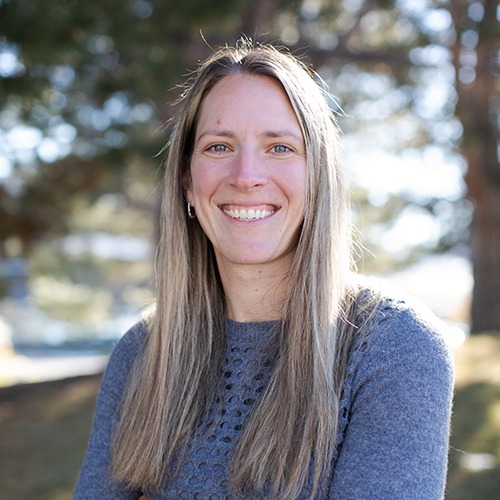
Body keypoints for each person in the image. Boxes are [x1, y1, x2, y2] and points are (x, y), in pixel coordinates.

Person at [74, 39, 454, 499]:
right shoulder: (142, 352)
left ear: (318, 179)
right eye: (218, 147)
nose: (246, 175)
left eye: (279, 147)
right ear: (188, 184)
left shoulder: (393, 346)